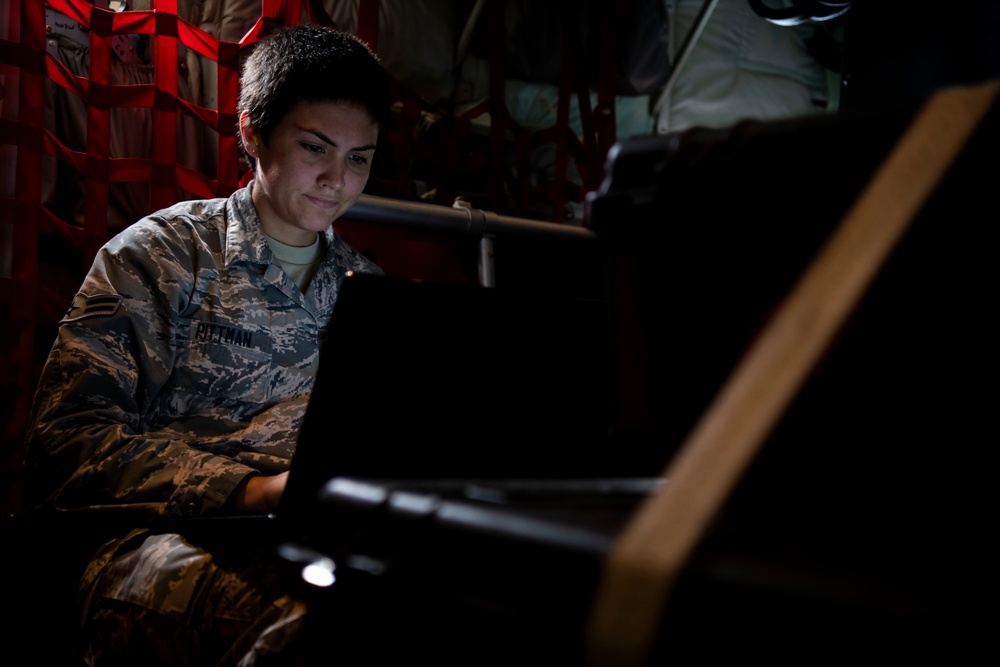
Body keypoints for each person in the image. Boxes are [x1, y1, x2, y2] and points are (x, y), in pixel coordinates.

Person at [21, 22, 392, 666]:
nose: (338, 178)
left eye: (359, 157)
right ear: (252, 133)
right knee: (314, 626)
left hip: (312, 537)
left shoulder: (371, 293)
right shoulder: (164, 256)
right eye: (315, 147)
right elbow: (65, 445)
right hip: (152, 540)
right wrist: (249, 491)